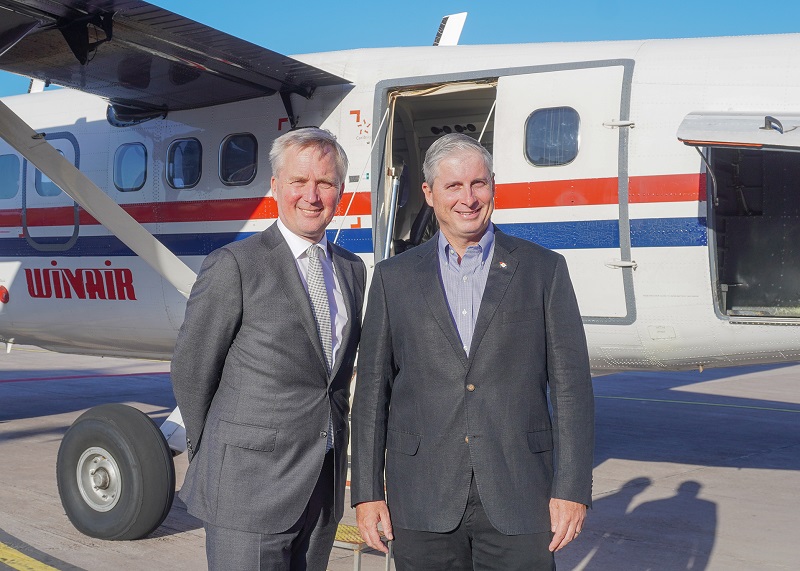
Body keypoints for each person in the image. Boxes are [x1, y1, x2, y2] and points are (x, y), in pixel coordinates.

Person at [351, 133, 594, 570]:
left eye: (478, 184)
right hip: (423, 498)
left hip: (520, 495)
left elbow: (573, 390)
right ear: (428, 194)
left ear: (494, 186)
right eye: (453, 186)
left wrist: (572, 488)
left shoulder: (543, 270)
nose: (468, 198)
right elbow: (371, 396)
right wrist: (367, 493)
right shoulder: (394, 278)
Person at [171, 128, 366, 571]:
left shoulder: (352, 271)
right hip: (247, 487)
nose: (312, 196)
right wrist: (222, 454)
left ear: (340, 191)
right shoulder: (235, 265)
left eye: (326, 183)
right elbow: (191, 368)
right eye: (299, 181)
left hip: (321, 486)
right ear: (276, 186)